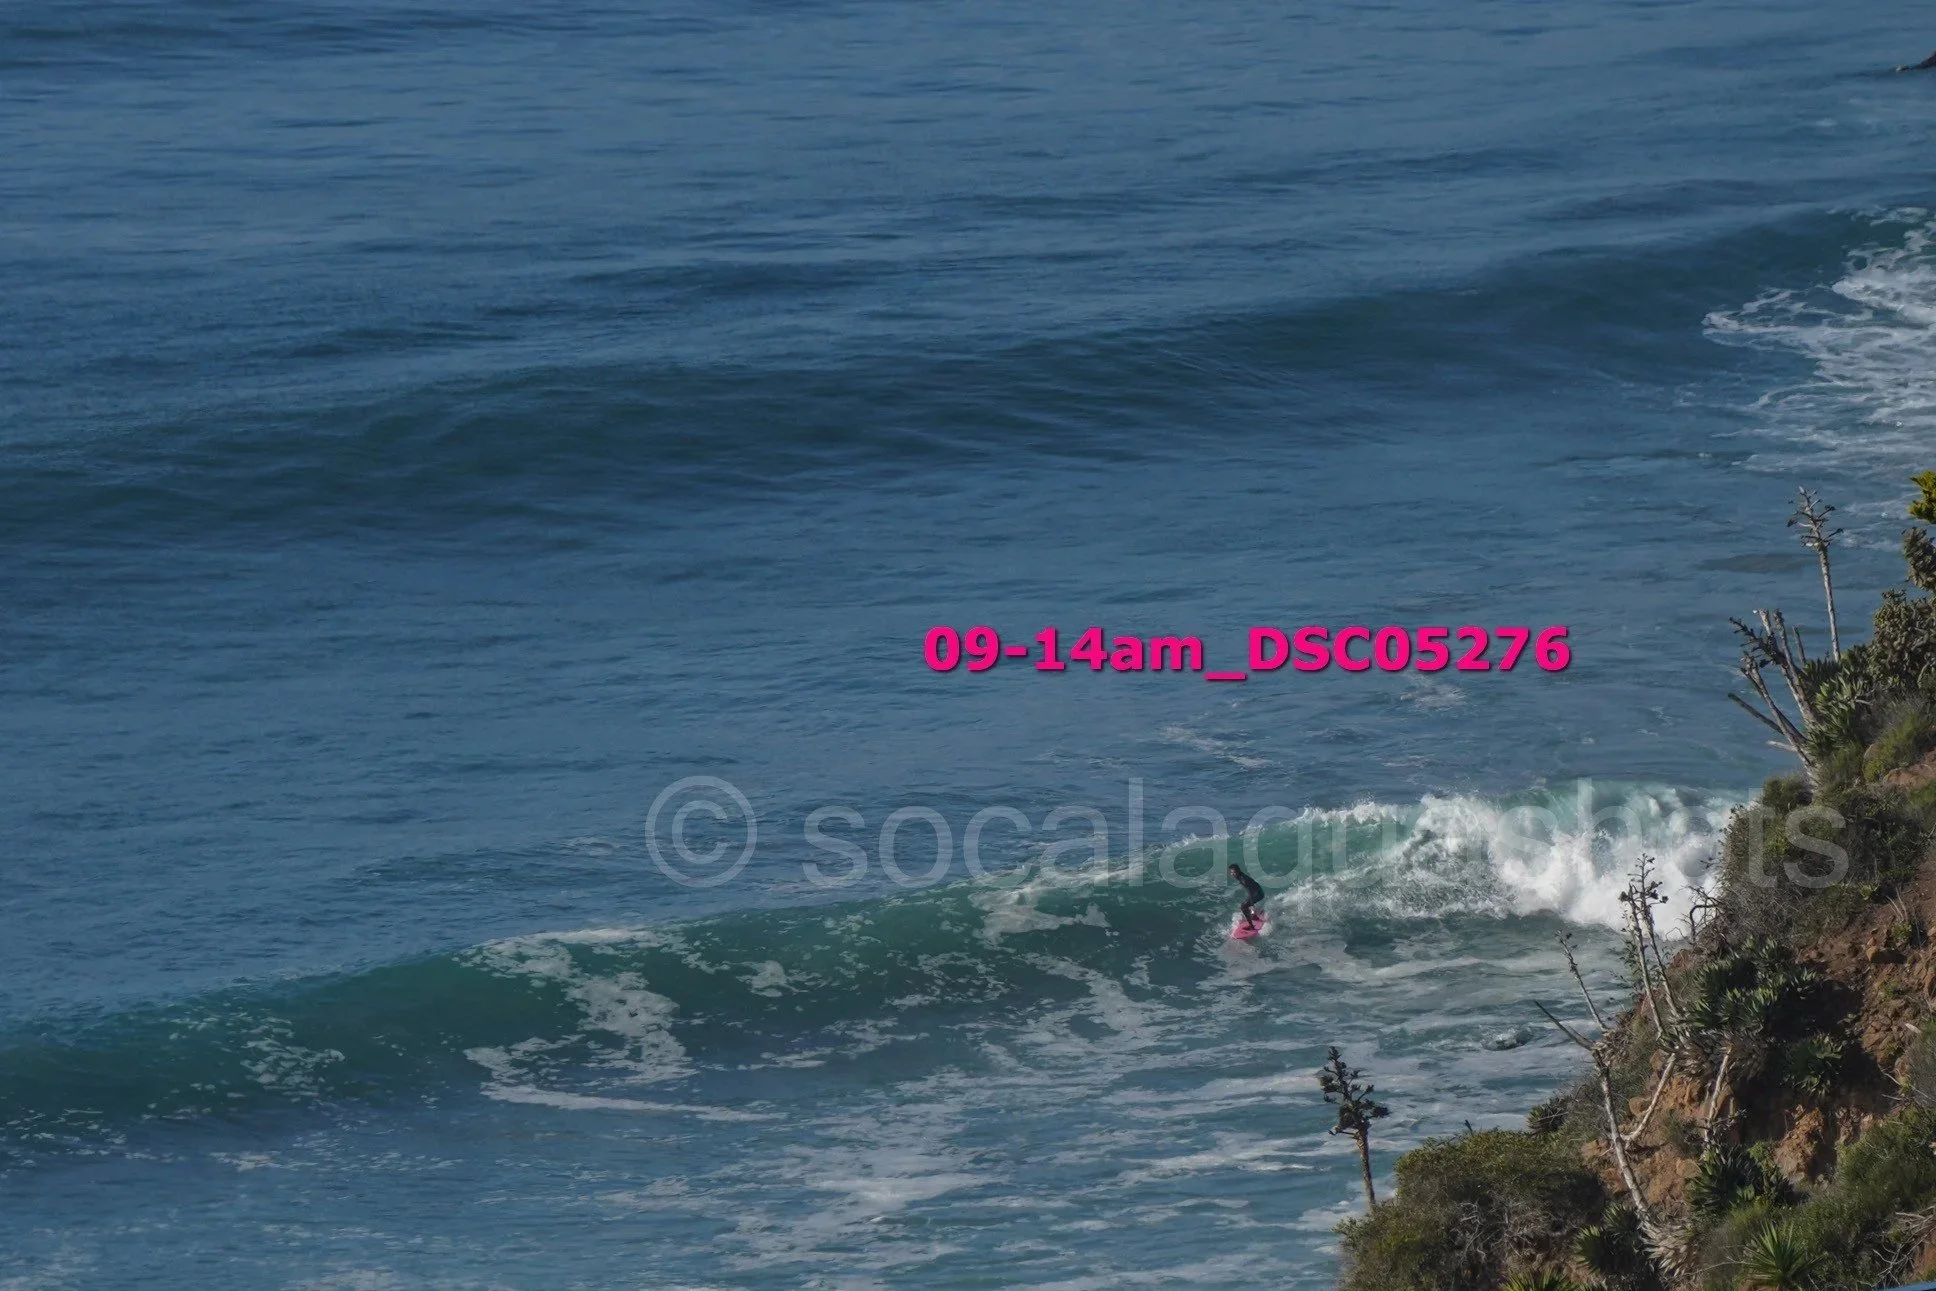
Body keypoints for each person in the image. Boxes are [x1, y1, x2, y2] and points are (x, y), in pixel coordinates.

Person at [1228, 862, 1266, 930]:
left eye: (1234, 872)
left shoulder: (1243, 879)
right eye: (1231, 872)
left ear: (1238, 871)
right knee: (1246, 904)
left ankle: (1251, 926)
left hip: (1258, 894)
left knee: (1243, 906)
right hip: (1256, 891)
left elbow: (1250, 892)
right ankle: (1254, 916)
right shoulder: (1239, 876)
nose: (1233, 874)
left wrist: (1252, 905)